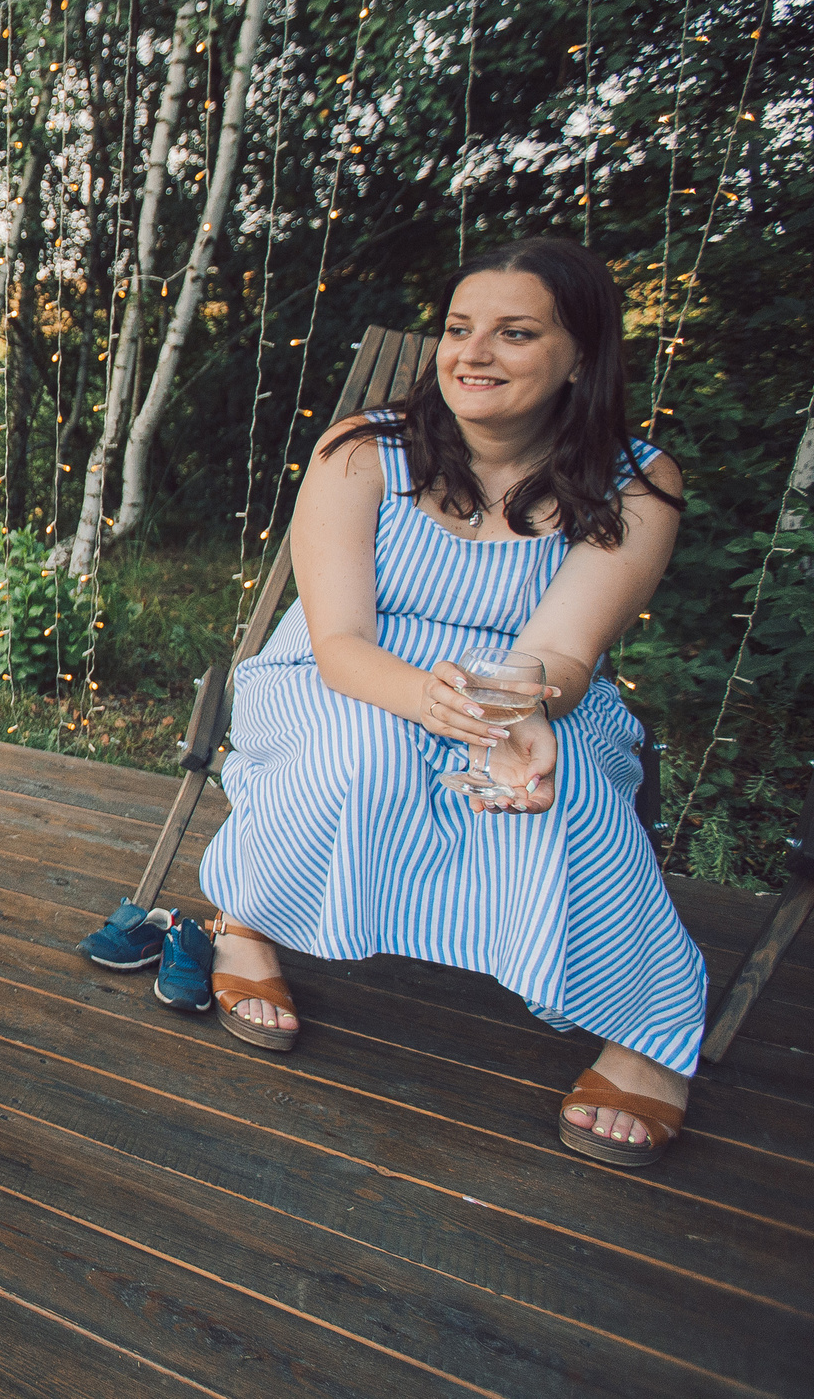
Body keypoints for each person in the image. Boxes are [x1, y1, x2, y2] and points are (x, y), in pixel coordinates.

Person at [188, 237, 700, 1166]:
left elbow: (562, 648)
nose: (474, 353)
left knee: (564, 795)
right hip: (344, 673)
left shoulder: (636, 480)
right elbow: (339, 642)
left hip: (525, 690)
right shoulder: (362, 452)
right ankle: (251, 920)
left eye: (514, 332)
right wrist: (428, 701)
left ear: (580, 354)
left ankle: (648, 1029)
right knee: (359, 754)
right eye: (460, 329)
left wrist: (516, 715)